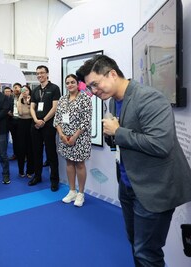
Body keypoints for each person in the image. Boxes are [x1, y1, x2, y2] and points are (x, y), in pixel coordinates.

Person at [76, 54, 191, 266]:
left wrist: (118, 132)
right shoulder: (113, 102)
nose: (93, 91)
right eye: (90, 87)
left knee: (147, 253)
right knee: (137, 246)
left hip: (154, 188)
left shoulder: (149, 98)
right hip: (129, 185)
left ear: (112, 74)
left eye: (95, 84)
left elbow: (161, 145)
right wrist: (115, 134)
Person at [53, 74, 92, 207]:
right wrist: (62, 135)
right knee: (69, 163)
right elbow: (57, 119)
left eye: (72, 82)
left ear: (78, 83)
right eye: (67, 83)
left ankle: (81, 193)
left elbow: (86, 120)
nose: (70, 85)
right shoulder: (63, 99)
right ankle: (72, 191)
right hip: (64, 137)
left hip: (80, 137)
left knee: (80, 164)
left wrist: (75, 136)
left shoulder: (85, 98)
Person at [29, 65, 61, 191]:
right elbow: (32, 107)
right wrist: (36, 120)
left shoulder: (54, 88)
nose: (39, 75)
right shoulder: (36, 90)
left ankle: (54, 180)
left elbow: (55, 108)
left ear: (47, 74)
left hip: (48, 125)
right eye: (37, 73)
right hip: (36, 125)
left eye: (42, 73)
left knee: (51, 153)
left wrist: (43, 120)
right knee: (36, 152)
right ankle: (37, 176)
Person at [16, 85, 34, 178]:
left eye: (26, 90)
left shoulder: (32, 100)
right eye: (23, 90)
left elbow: (32, 113)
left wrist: (28, 103)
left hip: (30, 123)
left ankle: (30, 170)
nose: (24, 92)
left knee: (30, 148)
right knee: (21, 148)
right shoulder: (19, 100)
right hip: (21, 124)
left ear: (29, 91)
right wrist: (20, 99)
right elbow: (20, 113)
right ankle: (21, 170)